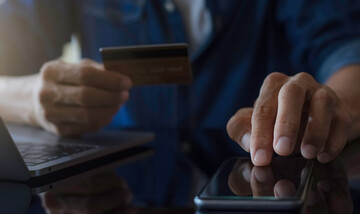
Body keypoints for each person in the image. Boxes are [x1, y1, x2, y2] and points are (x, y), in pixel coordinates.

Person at [0, 0, 360, 168]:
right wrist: (29, 99)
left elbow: (345, 51)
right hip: (115, 189)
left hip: (261, 187)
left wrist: (327, 107)